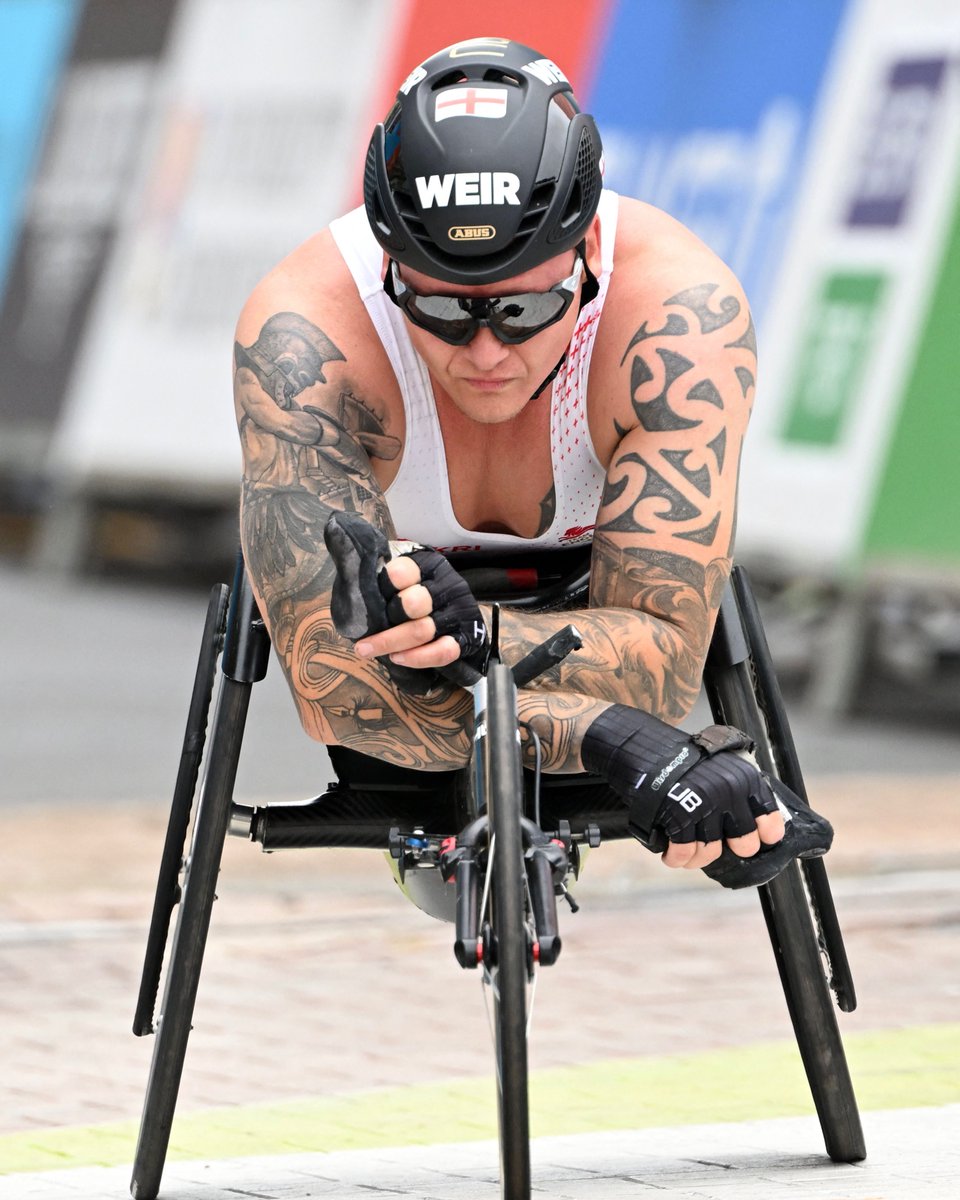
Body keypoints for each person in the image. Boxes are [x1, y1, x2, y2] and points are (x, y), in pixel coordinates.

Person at [233, 35, 831, 888]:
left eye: (525, 306)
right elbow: (336, 693)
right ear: (389, 268)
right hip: (488, 682)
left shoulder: (676, 319)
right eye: (440, 309)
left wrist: (471, 639)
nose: (484, 352)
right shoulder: (307, 334)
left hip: (503, 635)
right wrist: (603, 731)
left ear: (587, 259)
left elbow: (664, 662)